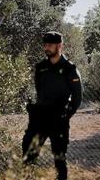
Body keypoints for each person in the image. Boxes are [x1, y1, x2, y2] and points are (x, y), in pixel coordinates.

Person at [22, 31, 83, 180]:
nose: (46, 48)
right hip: (40, 118)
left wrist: (66, 115)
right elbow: (39, 90)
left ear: (59, 46)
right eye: (45, 45)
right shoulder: (41, 67)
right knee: (29, 152)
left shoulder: (70, 69)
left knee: (59, 157)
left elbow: (77, 97)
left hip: (58, 119)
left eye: (50, 45)